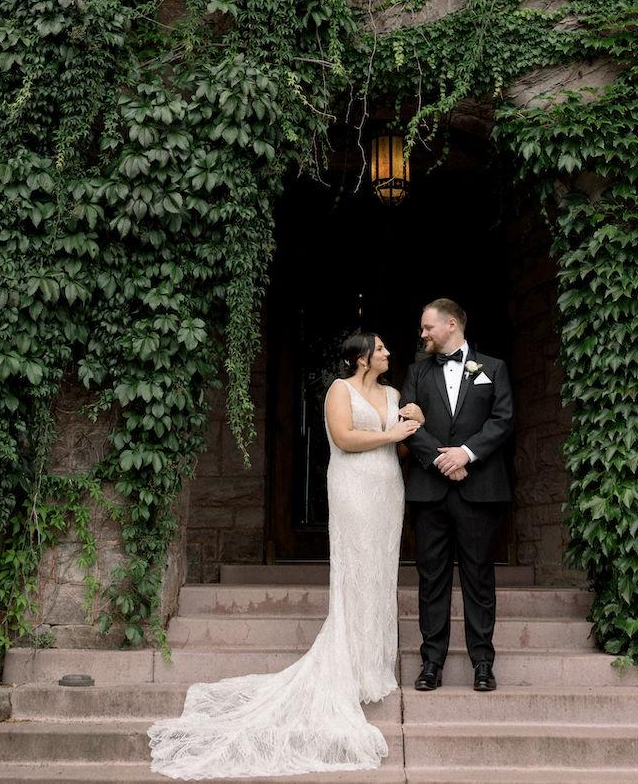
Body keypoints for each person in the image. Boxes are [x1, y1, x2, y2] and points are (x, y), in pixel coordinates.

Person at [147, 332, 420, 779]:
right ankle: (349, 663)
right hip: (353, 485)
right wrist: (390, 433)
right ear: (361, 357)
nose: (389, 352)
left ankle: (374, 663)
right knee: (356, 569)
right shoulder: (339, 390)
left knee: (380, 570)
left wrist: (413, 425)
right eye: (381, 348)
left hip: (388, 486)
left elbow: (402, 447)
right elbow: (344, 438)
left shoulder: (393, 395)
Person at [398, 298, 514, 693]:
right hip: (430, 492)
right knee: (432, 580)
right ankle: (431, 663)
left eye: (428, 327)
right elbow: (406, 421)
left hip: (478, 489)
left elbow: (503, 419)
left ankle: (483, 663)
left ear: (451, 325)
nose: (423, 334)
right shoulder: (416, 372)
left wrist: (466, 453)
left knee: (479, 579)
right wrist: (441, 459)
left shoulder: (493, 368)